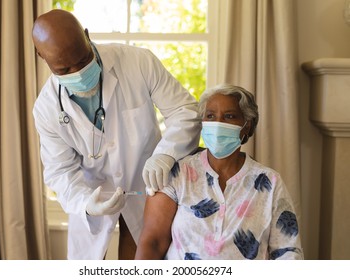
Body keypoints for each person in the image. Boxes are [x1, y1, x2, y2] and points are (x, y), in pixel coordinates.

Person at [31, 9, 201, 260]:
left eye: (82, 60)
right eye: (64, 69)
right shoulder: (46, 109)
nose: (78, 72)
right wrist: (86, 203)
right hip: (92, 195)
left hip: (148, 190)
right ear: (42, 57)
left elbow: (185, 111)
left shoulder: (138, 62)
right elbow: (60, 171)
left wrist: (165, 155)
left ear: (87, 36)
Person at [135, 84, 304, 260]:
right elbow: (152, 243)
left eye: (229, 116)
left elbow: (288, 253)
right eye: (210, 116)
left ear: (247, 125)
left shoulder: (270, 183)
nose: (218, 123)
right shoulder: (177, 174)